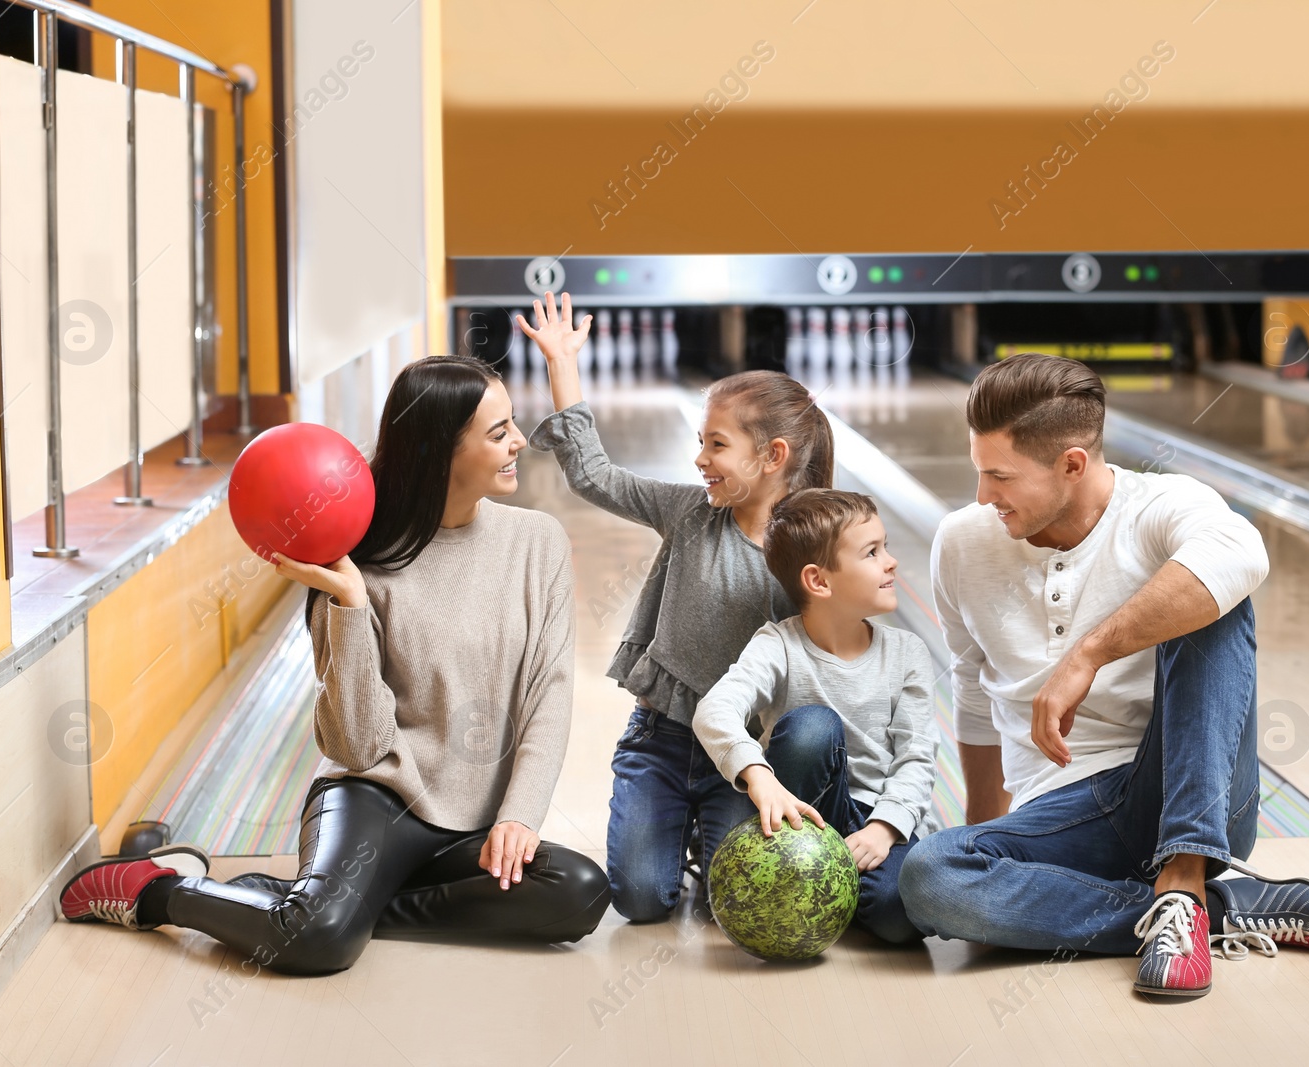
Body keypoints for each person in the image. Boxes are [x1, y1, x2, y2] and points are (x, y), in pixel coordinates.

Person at [58, 355, 610, 975]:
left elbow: (550, 692)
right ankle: (155, 890)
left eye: (513, 423)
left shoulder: (537, 543)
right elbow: (357, 746)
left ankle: (342, 907)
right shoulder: (355, 564)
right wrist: (348, 603)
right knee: (318, 940)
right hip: (377, 795)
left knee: (579, 890)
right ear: (439, 452)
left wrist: (518, 815)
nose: (519, 442)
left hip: (474, 819)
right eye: (497, 431)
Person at [898, 353, 1309, 998]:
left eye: (999, 476)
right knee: (929, 877)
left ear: (1072, 464)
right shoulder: (964, 542)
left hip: (1184, 789)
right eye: (979, 472)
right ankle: (1205, 911)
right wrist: (981, 842)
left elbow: (1240, 554)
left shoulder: (1162, 507)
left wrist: (1088, 653)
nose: (982, 496)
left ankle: (1185, 872)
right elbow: (974, 697)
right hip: (1061, 815)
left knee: (1214, 599)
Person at [520, 291, 834, 922]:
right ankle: (672, 836)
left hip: (744, 755)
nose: (699, 460)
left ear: (773, 456)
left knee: (727, 905)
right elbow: (594, 477)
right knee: (639, 901)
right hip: (660, 738)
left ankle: (698, 837)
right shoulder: (690, 513)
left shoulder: (814, 547)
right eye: (700, 442)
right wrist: (562, 365)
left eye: (716, 445)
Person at [692, 489, 935, 943]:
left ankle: (829, 887)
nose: (891, 562)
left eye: (885, 547)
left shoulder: (907, 653)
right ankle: (809, 874)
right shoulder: (778, 645)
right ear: (819, 581)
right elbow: (714, 709)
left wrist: (884, 829)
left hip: (877, 818)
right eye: (872, 552)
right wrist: (758, 777)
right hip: (800, 814)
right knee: (812, 727)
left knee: (899, 917)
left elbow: (917, 756)